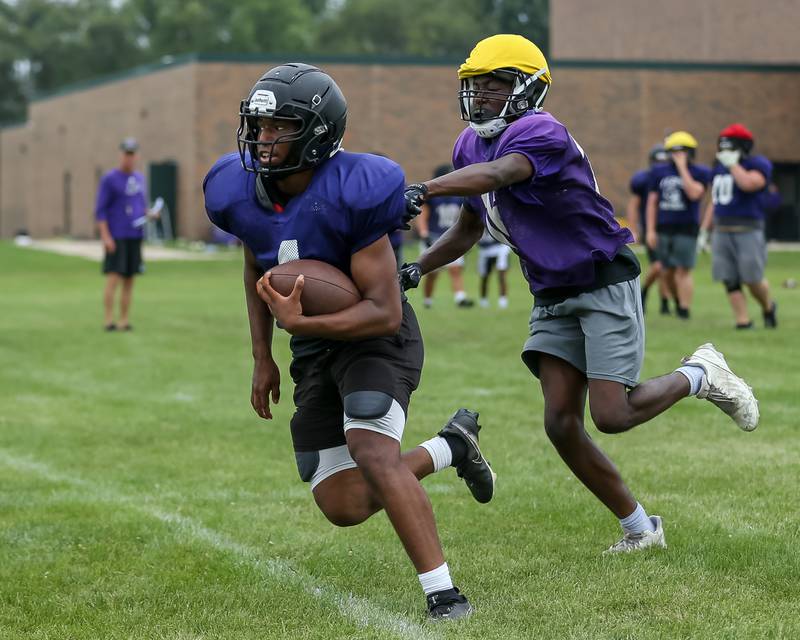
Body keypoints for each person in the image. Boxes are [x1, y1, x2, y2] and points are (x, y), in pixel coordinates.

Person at [399, 34, 759, 554]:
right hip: (549, 290)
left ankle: (701, 373)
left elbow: (503, 173)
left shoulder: (540, 129)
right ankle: (640, 528)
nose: (478, 96)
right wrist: (415, 268)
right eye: (473, 85)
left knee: (612, 415)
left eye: (492, 85)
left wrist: (427, 188)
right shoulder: (468, 147)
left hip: (600, 277)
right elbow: (470, 227)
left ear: (526, 88)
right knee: (560, 422)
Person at [202, 63, 496, 620]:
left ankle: (445, 595)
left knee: (372, 452)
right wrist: (263, 355)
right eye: (259, 126)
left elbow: (383, 314)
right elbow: (255, 269)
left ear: (317, 133)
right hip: (313, 349)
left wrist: (301, 325)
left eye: (278, 127)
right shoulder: (239, 193)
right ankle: (451, 446)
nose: (262, 139)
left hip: (376, 341)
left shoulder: (356, 189)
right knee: (342, 502)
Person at [699, 124, 778, 329]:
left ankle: (768, 306)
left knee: (752, 278)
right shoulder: (718, 167)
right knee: (729, 278)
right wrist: (704, 230)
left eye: (730, 147)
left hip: (748, 229)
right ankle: (743, 321)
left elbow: (750, 184)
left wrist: (734, 166)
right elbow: (715, 201)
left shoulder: (758, 163)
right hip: (721, 230)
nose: (725, 152)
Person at [645, 131, 712, 320]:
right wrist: (650, 230)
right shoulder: (659, 172)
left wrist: (683, 168)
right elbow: (652, 202)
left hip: (687, 227)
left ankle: (684, 309)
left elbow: (695, 194)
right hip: (664, 226)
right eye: (674, 152)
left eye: (682, 152)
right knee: (666, 270)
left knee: (683, 269)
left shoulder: (700, 172)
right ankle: (675, 300)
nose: (678, 156)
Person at [95, 137, 159, 331]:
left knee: (130, 279)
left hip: (135, 235)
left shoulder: (140, 179)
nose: (130, 158)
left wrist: (150, 213)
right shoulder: (110, 179)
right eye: (126, 154)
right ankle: (108, 320)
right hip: (117, 236)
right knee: (114, 277)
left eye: (133, 154)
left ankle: (124, 320)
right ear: (121, 155)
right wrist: (106, 237)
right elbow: (101, 210)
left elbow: (140, 206)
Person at [415, 164, 474, 308]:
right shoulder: (432, 196)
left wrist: (466, 238)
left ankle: (460, 298)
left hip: (451, 237)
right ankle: (428, 300)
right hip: (434, 237)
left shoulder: (459, 196)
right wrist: (424, 234)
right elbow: (422, 215)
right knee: (431, 272)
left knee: (455, 268)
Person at [627, 144, 672, 314]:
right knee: (659, 266)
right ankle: (644, 292)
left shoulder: (671, 177)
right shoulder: (644, 179)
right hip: (651, 227)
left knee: (668, 268)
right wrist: (633, 228)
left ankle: (665, 302)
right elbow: (634, 204)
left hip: (670, 226)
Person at [476, 229, 511, 308]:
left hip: (500, 248)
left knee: (501, 275)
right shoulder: (479, 217)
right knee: (484, 276)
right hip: (485, 250)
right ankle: (483, 300)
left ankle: (503, 301)